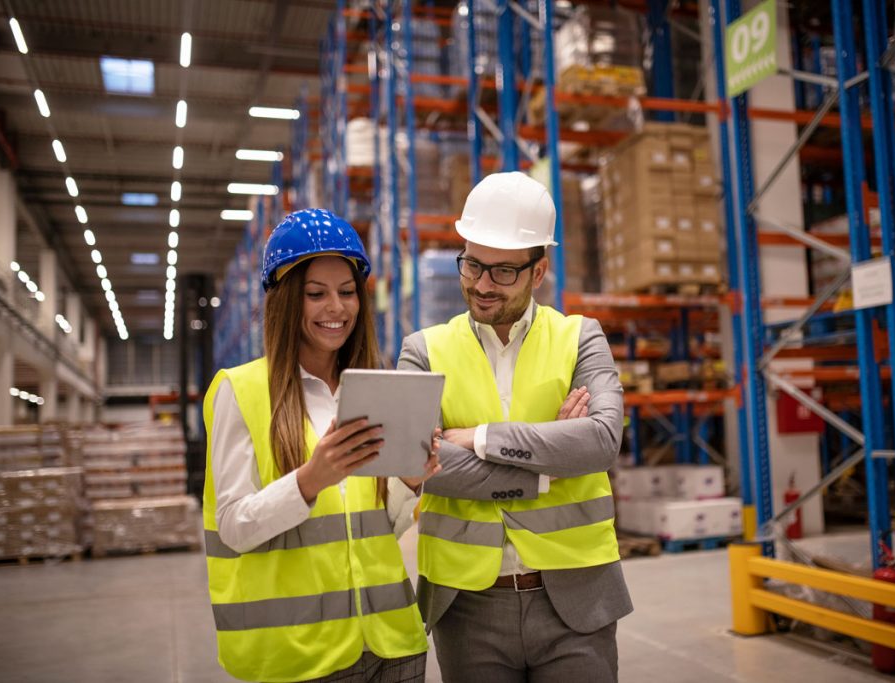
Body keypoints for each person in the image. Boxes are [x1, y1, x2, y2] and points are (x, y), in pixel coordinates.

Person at [398, 172, 633, 682]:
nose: (482, 284)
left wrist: (480, 438)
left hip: (577, 596)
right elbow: (417, 461)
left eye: (503, 271)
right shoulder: (422, 350)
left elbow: (600, 441)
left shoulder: (580, 337)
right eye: (473, 264)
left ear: (538, 271)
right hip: (466, 604)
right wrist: (549, 464)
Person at [202, 209, 439, 683]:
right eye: (317, 294)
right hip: (302, 654)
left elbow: (374, 531)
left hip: (392, 640)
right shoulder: (242, 390)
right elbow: (233, 526)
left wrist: (410, 482)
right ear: (286, 300)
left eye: (347, 292)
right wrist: (310, 480)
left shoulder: (374, 389)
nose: (337, 308)